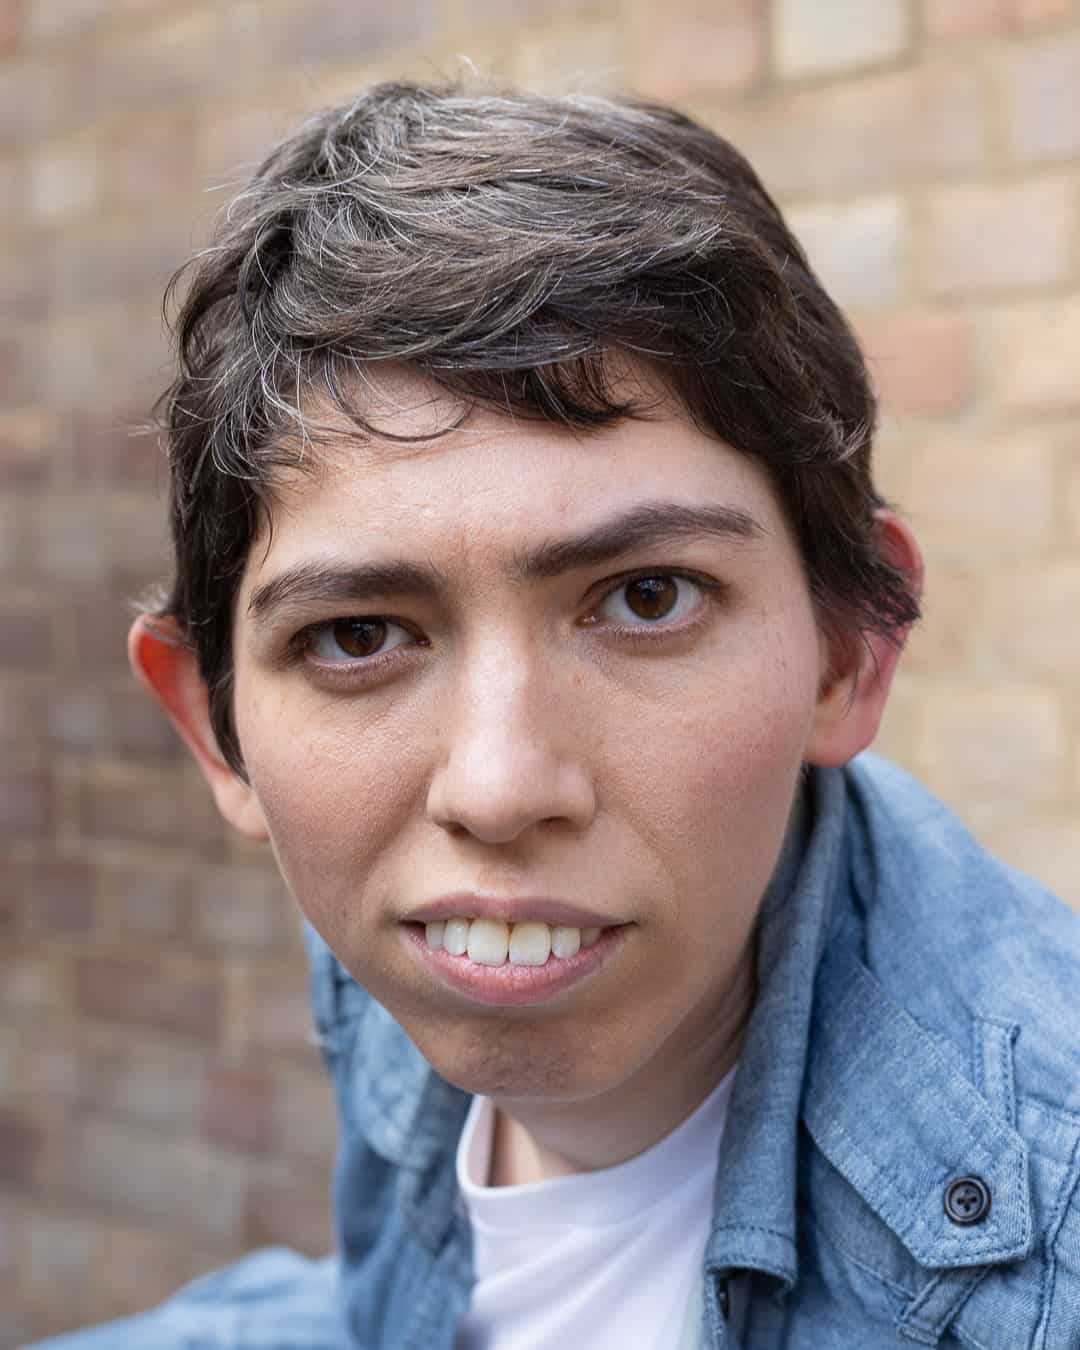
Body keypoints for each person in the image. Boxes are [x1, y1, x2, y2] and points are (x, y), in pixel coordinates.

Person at [31, 81, 1080, 1350]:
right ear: (219, 728)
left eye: (646, 599)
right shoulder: (433, 944)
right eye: (359, 636)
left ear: (849, 652)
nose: (497, 788)